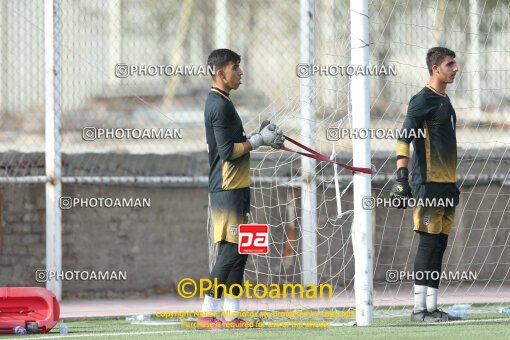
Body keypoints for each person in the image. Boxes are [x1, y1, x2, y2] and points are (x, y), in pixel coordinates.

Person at [198, 48, 284, 329]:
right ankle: (206, 313)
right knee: (232, 251)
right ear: (221, 73)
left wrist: (258, 135)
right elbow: (227, 152)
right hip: (227, 189)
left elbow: (237, 142)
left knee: (242, 250)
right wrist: (259, 140)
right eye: (236, 67)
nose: (241, 72)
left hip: (237, 187)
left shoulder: (223, 101)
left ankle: (232, 315)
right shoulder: (218, 105)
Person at [390, 47, 461, 322]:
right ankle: (419, 310)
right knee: (428, 244)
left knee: (440, 244)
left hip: (446, 185)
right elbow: (403, 138)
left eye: (455, 63)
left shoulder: (446, 101)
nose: (455, 68)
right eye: (450, 64)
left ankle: (432, 307)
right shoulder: (421, 100)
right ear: (435, 68)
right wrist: (401, 178)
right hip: (428, 186)